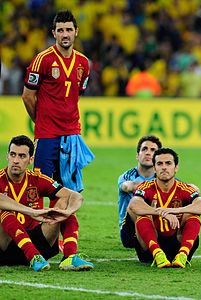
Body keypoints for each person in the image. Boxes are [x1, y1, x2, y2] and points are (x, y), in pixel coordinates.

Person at [21, 9, 94, 193]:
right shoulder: (42, 60)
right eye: (60, 30)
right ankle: (37, 223)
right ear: (54, 33)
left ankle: (65, 223)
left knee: (69, 190)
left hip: (71, 135)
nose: (65, 34)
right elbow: (27, 95)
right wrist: (41, 121)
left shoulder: (84, 63)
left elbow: (76, 95)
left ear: (76, 31)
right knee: (39, 188)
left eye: (68, 30)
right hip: (47, 135)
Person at [0, 135, 94, 271]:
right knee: (4, 211)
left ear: (31, 159)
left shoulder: (37, 179)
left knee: (64, 203)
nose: (16, 160)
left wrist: (67, 212)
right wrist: (32, 212)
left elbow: (76, 196)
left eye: (22, 156)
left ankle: (69, 256)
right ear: (7, 156)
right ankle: (33, 256)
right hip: (5, 246)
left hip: (37, 242)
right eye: (13, 154)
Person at [127, 148, 201, 268]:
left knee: (193, 214)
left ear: (176, 167)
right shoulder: (146, 186)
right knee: (142, 215)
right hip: (150, 248)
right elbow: (133, 205)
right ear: (154, 168)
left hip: (177, 242)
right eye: (160, 164)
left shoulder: (184, 188)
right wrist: (162, 213)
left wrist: (173, 210)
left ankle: (182, 254)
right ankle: (158, 254)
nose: (164, 167)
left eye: (168, 163)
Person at [118, 135, 162, 250]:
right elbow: (128, 186)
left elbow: (191, 188)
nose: (148, 153)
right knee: (135, 205)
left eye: (153, 150)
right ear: (137, 156)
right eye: (144, 149)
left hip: (157, 227)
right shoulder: (128, 176)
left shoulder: (163, 177)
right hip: (130, 231)